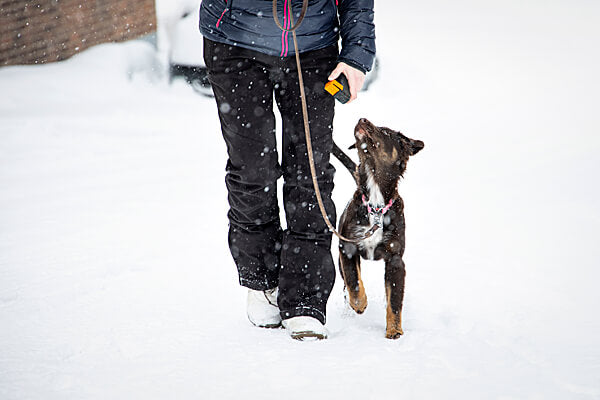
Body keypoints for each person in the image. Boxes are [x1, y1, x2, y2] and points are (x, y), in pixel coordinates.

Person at [199, 0, 375, 340]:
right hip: (235, 42)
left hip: (313, 46)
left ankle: (306, 296)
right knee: (252, 171)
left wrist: (356, 54)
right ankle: (262, 280)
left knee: (310, 173)